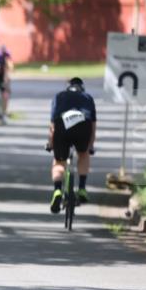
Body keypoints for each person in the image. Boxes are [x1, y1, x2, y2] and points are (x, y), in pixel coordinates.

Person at [47, 77, 96, 213]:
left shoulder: (59, 96)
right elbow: (92, 126)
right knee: (83, 154)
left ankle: (57, 190)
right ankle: (81, 188)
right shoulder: (88, 97)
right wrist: (90, 145)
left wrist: (51, 143)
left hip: (62, 126)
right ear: (82, 88)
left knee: (59, 162)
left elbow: (52, 126)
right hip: (83, 126)